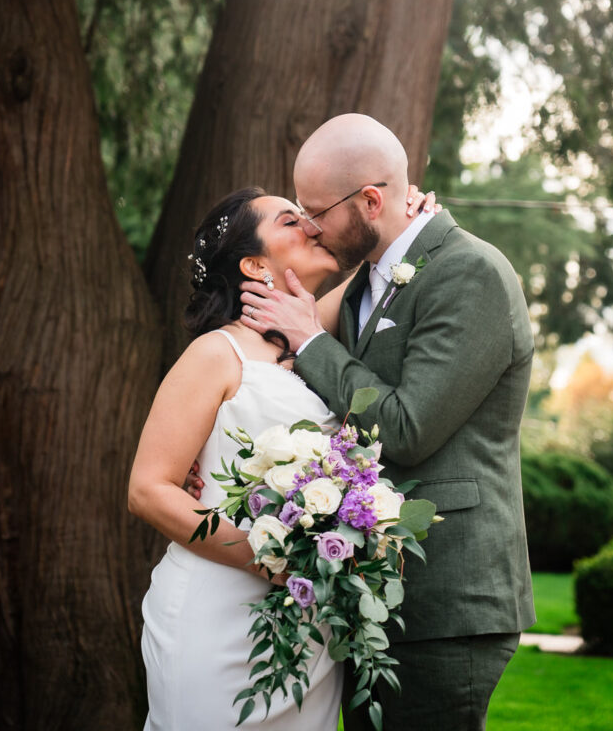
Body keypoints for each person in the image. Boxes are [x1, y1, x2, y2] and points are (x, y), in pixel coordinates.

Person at [239, 114, 536, 731]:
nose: (311, 225)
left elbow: (405, 428)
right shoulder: (364, 283)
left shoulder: (470, 273)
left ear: (371, 200)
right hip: (376, 595)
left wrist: (309, 339)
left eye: (318, 210)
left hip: (448, 601)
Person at [128, 182, 436, 730]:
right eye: (291, 221)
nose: (312, 225)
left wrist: (408, 219)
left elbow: (383, 262)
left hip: (308, 627)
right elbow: (149, 491)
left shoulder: (319, 336)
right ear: (254, 264)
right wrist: (270, 557)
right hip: (217, 614)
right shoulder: (215, 353)